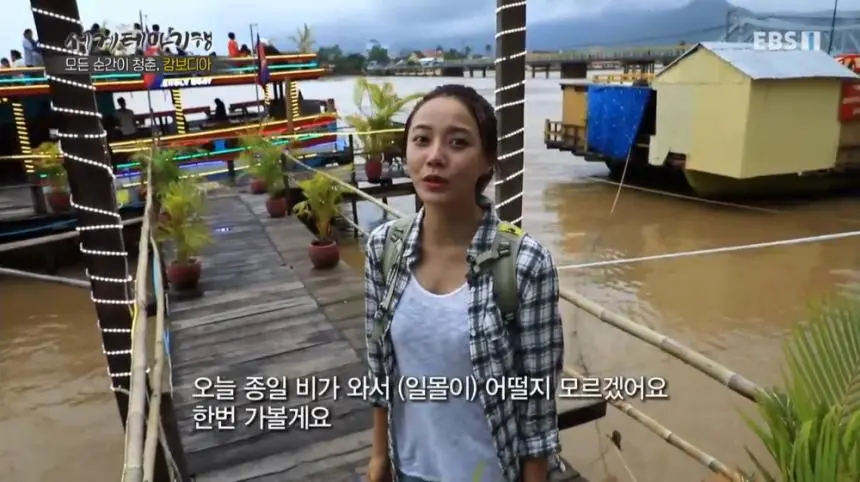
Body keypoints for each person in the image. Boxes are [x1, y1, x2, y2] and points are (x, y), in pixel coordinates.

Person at [363, 84, 564, 482]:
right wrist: (379, 457)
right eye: (422, 140)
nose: (435, 157)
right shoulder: (383, 248)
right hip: (410, 469)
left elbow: (537, 403)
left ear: (487, 160)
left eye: (458, 142)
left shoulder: (525, 263)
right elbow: (380, 369)